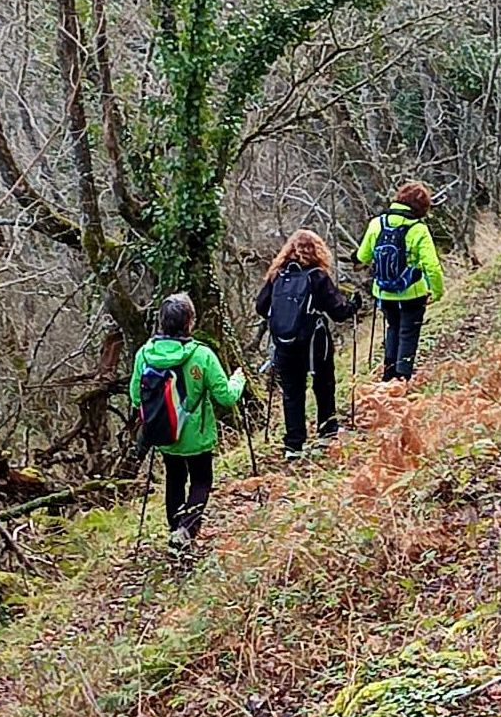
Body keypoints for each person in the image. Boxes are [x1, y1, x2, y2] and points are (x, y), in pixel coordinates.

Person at [130, 293, 245, 548]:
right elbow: (226, 397)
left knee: (175, 479)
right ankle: (186, 530)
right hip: (197, 436)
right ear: (189, 321)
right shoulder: (202, 355)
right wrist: (238, 380)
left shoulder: (144, 355)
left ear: (161, 321)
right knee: (201, 480)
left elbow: (136, 398)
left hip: (164, 433)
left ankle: (176, 530)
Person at [255, 230, 363, 459]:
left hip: (284, 344)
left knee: (292, 392)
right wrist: (353, 306)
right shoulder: (317, 277)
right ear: (318, 250)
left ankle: (293, 445)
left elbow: (261, 307)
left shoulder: (277, 275)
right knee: (323, 384)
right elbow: (338, 311)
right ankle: (327, 432)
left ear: (289, 251)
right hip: (315, 343)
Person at [357, 181, 445, 383]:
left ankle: (388, 376)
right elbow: (432, 266)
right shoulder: (418, 229)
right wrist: (437, 291)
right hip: (413, 292)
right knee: (408, 333)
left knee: (393, 328)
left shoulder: (377, 223)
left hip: (384, 291)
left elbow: (363, 257)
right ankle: (402, 378)